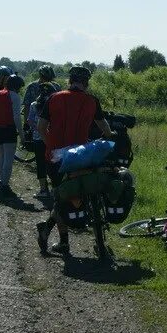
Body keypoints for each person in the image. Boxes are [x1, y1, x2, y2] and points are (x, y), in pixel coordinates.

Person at [35, 66, 113, 255]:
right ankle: (93, 235)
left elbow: (40, 127)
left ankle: (63, 241)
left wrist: (52, 145)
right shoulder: (92, 101)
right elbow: (106, 130)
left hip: (56, 158)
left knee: (61, 197)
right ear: (86, 82)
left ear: (70, 80)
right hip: (80, 156)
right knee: (83, 190)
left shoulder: (53, 98)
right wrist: (98, 141)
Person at [0, 74, 26, 197]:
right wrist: (22, 134)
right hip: (8, 130)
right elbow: (16, 117)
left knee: (2, 157)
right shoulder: (15, 96)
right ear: (17, 86)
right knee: (8, 159)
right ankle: (5, 185)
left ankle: (2, 182)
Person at [27, 82, 59, 198]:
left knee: (40, 164)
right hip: (52, 138)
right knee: (54, 163)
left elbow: (29, 120)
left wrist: (36, 129)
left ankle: (43, 190)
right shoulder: (54, 104)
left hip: (38, 138)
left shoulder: (33, 104)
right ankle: (56, 189)